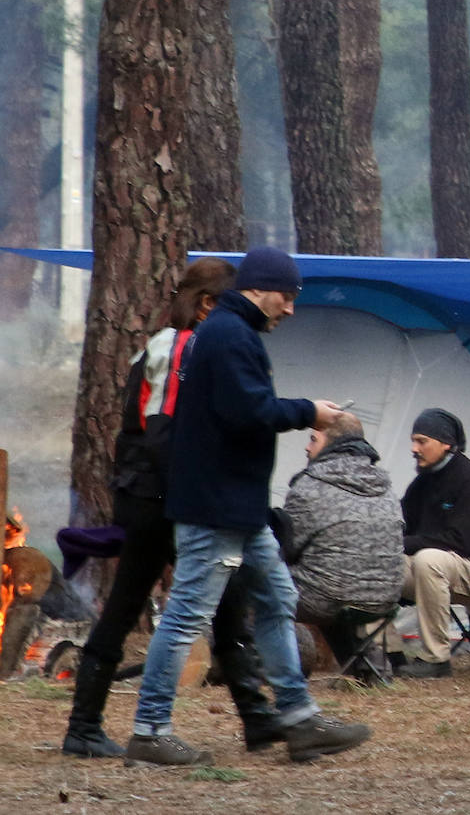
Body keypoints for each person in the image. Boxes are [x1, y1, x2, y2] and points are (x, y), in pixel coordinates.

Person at [124, 246, 370, 766]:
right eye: (288, 296)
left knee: (279, 597)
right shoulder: (230, 336)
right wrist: (311, 412)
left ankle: (299, 719)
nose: (291, 309)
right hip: (216, 507)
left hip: (237, 506)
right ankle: (148, 730)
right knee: (187, 614)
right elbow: (247, 411)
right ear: (261, 289)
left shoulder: (230, 333)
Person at [63, 259, 281, 758]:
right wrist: (198, 492)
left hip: (161, 492)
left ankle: (258, 718)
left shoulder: (177, 345)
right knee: (132, 603)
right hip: (160, 496)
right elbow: (163, 434)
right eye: (229, 304)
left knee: (224, 600)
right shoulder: (182, 345)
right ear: (207, 304)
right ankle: (85, 727)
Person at [274, 413, 404, 681]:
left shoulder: (310, 485)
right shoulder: (386, 486)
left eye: (313, 439)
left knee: (259, 577)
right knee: (332, 581)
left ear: (333, 442)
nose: (307, 447)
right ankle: (371, 669)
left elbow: (285, 550)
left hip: (328, 598)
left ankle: (254, 663)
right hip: (383, 599)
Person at [388, 408, 470, 679]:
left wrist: (403, 544)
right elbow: (399, 524)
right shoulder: (422, 483)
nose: (413, 448)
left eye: (421, 441)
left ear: (446, 444)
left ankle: (436, 659)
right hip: (438, 568)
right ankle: (387, 653)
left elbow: (459, 543)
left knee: (429, 558)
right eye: (413, 441)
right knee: (378, 563)